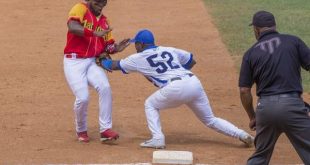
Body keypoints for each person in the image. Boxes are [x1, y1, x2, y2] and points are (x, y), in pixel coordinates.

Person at [99, 29, 254, 149]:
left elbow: (113, 65)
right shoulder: (169, 49)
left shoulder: (137, 58)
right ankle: (242, 134)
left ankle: (157, 138)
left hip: (175, 88)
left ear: (141, 44)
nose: (135, 47)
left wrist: (101, 58)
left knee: (150, 104)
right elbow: (191, 60)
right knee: (210, 119)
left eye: (136, 44)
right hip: (193, 83)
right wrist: (175, 71)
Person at [239, 11, 310, 164]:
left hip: (266, 109)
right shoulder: (293, 41)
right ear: (274, 26)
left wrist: (253, 116)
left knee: (260, 156)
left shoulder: (250, 53)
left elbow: (244, 90)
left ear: (256, 29)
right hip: (293, 107)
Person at [63, 0, 130, 143]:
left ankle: (105, 129)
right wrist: (94, 33)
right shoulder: (80, 8)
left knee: (105, 87)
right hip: (73, 62)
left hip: (91, 62)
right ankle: (81, 129)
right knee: (83, 98)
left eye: (103, 4)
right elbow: (72, 26)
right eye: (97, 3)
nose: (100, 6)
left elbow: (108, 46)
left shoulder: (104, 21)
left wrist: (117, 48)